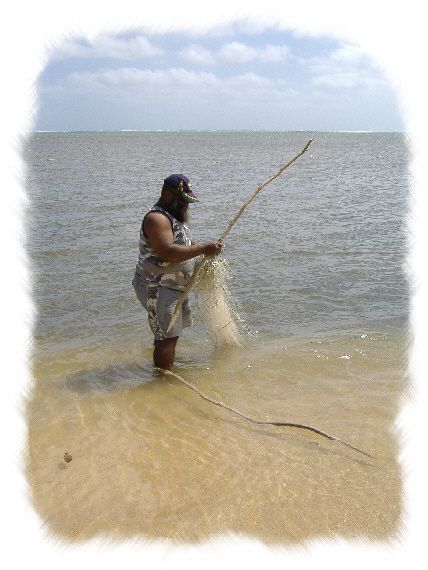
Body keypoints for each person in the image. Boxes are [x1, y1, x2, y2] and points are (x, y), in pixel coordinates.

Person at [132, 174, 222, 369]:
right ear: (167, 195)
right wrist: (204, 249)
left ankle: (163, 371)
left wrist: (204, 248)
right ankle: (161, 385)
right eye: (182, 200)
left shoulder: (173, 217)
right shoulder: (156, 218)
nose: (185, 205)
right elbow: (168, 252)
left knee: (169, 334)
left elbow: (183, 244)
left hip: (172, 286)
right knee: (166, 337)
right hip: (157, 286)